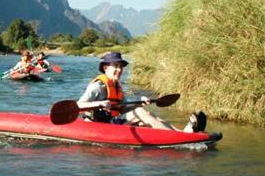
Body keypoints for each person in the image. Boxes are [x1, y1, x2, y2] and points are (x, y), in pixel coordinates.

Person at [76, 51, 206, 132]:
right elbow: (78, 106)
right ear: (105, 68)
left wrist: (140, 103)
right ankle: (179, 136)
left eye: (121, 67)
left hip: (111, 122)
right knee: (139, 113)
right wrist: (99, 104)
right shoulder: (98, 86)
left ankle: (181, 132)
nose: (119, 70)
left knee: (145, 113)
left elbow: (122, 109)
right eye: (115, 66)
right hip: (97, 125)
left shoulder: (116, 86)